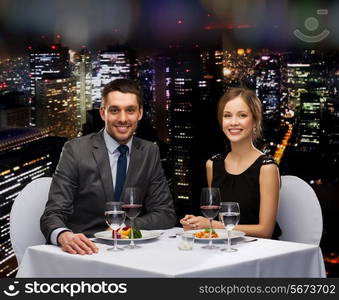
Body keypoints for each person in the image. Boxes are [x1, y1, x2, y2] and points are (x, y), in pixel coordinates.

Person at [41, 79, 176, 255]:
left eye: (130, 110)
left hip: (133, 250)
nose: (122, 119)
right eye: (114, 110)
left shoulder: (149, 151)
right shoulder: (75, 150)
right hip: (86, 250)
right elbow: (53, 213)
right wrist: (64, 235)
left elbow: (165, 214)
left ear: (140, 113)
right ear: (103, 113)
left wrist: (124, 228)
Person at [180, 87, 281, 239]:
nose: (233, 122)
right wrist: (195, 224)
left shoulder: (267, 168)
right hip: (223, 248)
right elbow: (213, 218)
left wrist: (211, 225)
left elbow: (265, 231)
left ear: (255, 121)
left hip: (258, 251)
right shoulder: (212, 165)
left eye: (242, 115)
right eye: (227, 116)